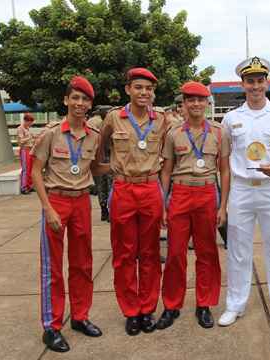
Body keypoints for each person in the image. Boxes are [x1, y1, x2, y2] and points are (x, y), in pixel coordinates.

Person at [218, 56, 270, 327]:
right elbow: (225, 160)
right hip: (242, 189)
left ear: (266, 83)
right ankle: (235, 305)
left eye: (259, 80)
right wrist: (224, 201)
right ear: (242, 84)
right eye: (250, 81)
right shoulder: (231, 119)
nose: (255, 86)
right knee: (238, 250)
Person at [30, 76, 107, 352]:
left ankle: (80, 316)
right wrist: (47, 207)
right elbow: (35, 171)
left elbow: (95, 169)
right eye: (75, 97)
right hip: (56, 202)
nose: (80, 103)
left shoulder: (94, 136)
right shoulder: (51, 133)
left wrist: (122, 165)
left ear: (90, 104)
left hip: (81, 203)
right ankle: (51, 326)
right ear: (66, 100)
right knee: (52, 268)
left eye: (85, 99)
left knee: (82, 263)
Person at [100, 67, 169, 336]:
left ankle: (147, 309)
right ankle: (130, 311)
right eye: (138, 87)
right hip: (124, 189)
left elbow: (168, 153)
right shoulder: (113, 118)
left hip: (151, 188)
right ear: (128, 89)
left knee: (150, 252)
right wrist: (111, 171)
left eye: (149, 89)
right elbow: (100, 150)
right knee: (125, 253)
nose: (144, 93)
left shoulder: (163, 120)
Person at [157, 81, 231, 329]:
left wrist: (223, 207)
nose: (196, 104)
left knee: (207, 252)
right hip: (179, 194)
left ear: (207, 103)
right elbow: (165, 171)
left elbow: (225, 170)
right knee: (176, 254)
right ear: (184, 104)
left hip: (207, 194)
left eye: (200, 99)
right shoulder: (173, 133)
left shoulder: (219, 133)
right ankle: (171, 305)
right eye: (191, 100)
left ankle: (204, 303)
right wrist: (163, 205)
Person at [88, 105, 113, 221]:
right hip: (107, 159)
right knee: (109, 186)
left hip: (102, 158)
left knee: (101, 186)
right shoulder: (111, 126)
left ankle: (104, 210)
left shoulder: (96, 125)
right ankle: (107, 210)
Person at [17, 112, 36, 194]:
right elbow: (21, 141)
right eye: (30, 122)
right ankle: (23, 187)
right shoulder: (20, 128)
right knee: (25, 169)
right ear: (26, 121)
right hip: (24, 150)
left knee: (30, 169)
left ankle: (29, 185)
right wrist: (29, 137)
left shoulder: (27, 129)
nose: (30, 124)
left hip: (30, 150)